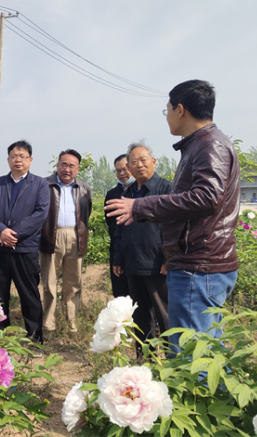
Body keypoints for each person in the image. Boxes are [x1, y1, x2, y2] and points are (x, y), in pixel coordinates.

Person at [105, 80, 240, 352]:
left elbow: (206, 198)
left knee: (192, 354)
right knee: (205, 350)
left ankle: (199, 395)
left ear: (180, 110)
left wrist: (140, 207)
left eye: (166, 109)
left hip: (198, 264)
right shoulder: (200, 145)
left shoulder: (208, 146)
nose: (166, 116)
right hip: (197, 263)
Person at [0, 140, 49, 344]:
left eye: (22, 156)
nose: (18, 159)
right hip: (0, 249)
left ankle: (34, 336)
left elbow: (40, 213)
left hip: (25, 248)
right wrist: (2, 231)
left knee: (29, 293)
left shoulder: (39, 184)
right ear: (8, 159)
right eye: (14, 156)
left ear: (30, 160)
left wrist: (14, 234)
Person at [112, 144, 172, 357]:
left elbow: (174, 227)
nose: (139, 165)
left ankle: (173, 361)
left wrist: (168, 258)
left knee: (164, 314)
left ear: (154, 162)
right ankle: (145, 359)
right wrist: (118, 257)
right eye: (134, 162)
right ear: (128, 166)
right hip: (132, 263)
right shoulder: (127, 193)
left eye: (144, 159)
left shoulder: (166, 189)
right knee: (140, 316)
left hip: (157, 264)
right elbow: (119, 229)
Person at [39, 149, 92, 333]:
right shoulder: (45, 185)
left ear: (77, 169)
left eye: (71, 166)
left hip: (75, 237)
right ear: (57, 165)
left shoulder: (84, 188)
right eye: (64, 164)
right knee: (49, 281)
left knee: (74, 282)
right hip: (51, 235)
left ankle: (72, 322)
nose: (67, 169)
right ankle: (48, 321)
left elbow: (87, 213)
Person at [104, 154, 134, 298]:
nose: (122, 173)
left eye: (125, 169)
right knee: (121, 294)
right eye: (118, 170)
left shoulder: (142, 192)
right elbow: (111, 224)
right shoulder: (111, 195)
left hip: (139, 252)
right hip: (118, 250)